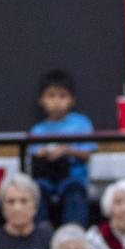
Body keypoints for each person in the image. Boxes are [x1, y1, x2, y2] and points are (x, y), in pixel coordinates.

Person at [28, 69, 95, 229]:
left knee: (75, 193)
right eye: (51, 95)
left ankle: (73, 232)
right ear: (41, 100)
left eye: (62, 96)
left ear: (72, 99)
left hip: (73, 178)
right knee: (37, 192)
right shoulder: (37, 130)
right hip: (46, 178)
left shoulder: (82, 123)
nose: (57, 101)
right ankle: (41, 232)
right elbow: (34, 155)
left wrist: (66, 151)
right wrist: (45, 153)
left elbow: (87, 154)